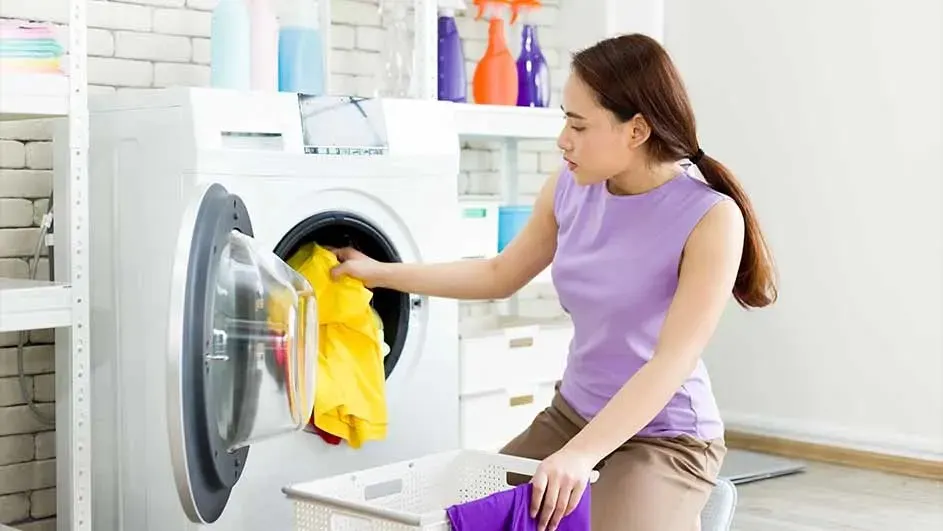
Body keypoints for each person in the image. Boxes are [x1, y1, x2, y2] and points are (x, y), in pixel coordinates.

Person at [330, 33, 777, 531]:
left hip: (666, 436)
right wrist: (379, 273)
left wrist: (581, 456)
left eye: (578, 124)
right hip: (573, 415)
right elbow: (499, 274)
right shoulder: (569, 186)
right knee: (457, 517)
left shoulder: (710, 217)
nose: (563, 138)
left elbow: (671, 362)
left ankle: (684, 506)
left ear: (636, 131)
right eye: (565, 118)